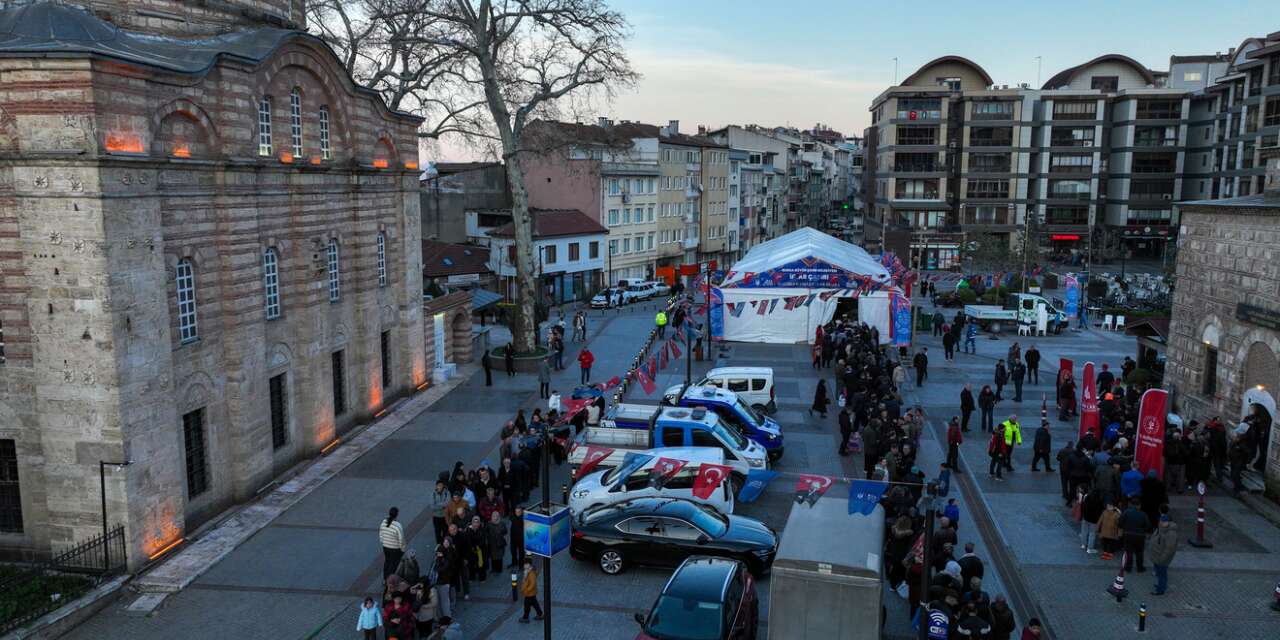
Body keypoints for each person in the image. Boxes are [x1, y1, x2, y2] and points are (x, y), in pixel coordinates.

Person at [1148, 505, 1179, 595]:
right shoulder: (1161, 528)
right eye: (1161, 521)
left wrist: (1162, 559)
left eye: (1163, 521)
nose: (1161, 523)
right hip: (1157, 555)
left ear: (1168, 522)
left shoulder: (1171, 533)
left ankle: (1160, 590)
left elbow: (1169, 549)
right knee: (1159, 573)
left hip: (1162, 558)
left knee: (1162, 574)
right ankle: (1160, 585)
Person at [1119, 498, 1151, 572]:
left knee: (1128, 552)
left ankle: (1128, 568)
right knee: (1139, 552)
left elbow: (1120, 523)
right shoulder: (1143, 514)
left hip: (1128, 535)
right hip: (1140, 536)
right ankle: (1140, 568)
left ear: (1131, 504)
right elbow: (1148, 526)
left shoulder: (1126, 512)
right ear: (1139, 505)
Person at [379, 507, 406, 580]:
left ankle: (385, 578)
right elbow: (401, 539)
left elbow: (381, 534)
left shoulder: (384, 522)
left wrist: (384, 542)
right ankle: (389, 580)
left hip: (385, 547)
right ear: (397, 515)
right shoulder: (398, 525)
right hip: (395, 548)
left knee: (387, 561)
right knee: (393, 564)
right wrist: (403, 549)